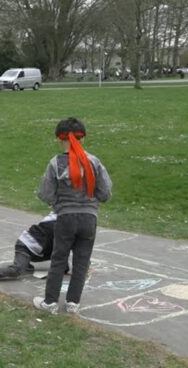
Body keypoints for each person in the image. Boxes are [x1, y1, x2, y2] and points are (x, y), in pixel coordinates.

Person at [33, 117, 112, 315]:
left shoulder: (55, 163)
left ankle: (50, 302)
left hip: (65, 218)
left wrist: (58, 203)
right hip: (89, 218)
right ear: (82, 139)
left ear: (60, 140)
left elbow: (45, 193)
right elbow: (105, 193)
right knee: (81, 262)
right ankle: (73, 303)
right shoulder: (94, 162)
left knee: (59, 259)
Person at [0, 213, 63, 287]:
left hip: (35, 248)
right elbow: (58, 249)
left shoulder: (58, 218)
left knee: (58, 251)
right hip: (26, 246)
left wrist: (64, 267)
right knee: (17, 270)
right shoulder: (58, 222)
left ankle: (25, 263)